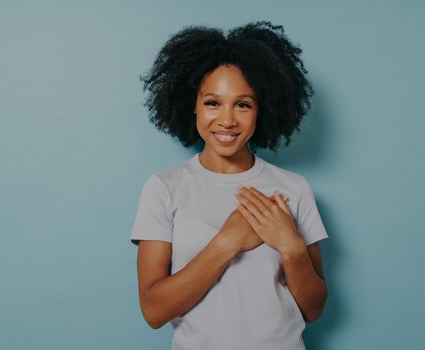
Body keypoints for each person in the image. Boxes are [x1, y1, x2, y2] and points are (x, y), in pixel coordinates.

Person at [130, 21, 329, 350]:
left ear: (261, 109)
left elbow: (314, 308)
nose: (227, 120)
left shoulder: (294, 188)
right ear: (192, 104)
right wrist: (228, 242)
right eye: (212, 102)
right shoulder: (163, 188)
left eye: (243, 104)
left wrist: (291, 246)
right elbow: (154, 310)